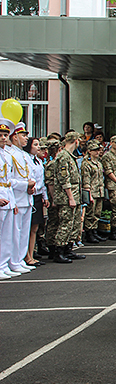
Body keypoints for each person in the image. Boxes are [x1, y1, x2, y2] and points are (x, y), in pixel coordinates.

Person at [7, 122, 36, 273]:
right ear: (14, 137)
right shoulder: (10, 154)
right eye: (23, 135)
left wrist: (32, 186)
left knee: (24, 232)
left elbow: (31, 174)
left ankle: (20, 259)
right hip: (16, 198)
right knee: (15, 233)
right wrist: (26, 185)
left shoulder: (25, 155)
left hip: (27, 197)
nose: (26, 138)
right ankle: (13, 261)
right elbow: (9, 180)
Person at [52, 132, 85, 264]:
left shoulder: (70, 156)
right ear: (75, 141)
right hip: (66, 196)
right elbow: (64, 179)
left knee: (74, 224)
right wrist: (70, 197)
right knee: (65, 223)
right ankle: (59, 250)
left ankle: (68, 249)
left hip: (75, 195)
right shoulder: (63, 156)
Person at [22, 136, 48, 266]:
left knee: (35, 227)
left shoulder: (38, 161)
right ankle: (26, 256)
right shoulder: (26, 159)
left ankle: (31, 254)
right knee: (27, 227)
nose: (38, 147)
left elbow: (41, 181)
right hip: (29, 194)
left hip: (37, 195)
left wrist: (45, 197)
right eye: (35, 144)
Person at [0, 117, 19, 279]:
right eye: (0, 135)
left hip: (7, 195)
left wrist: (13, 202)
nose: (3, 137)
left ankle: (4, 264)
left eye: (5, 135)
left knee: (7, 235)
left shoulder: (6, 154)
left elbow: (9, 180)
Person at [81, 139, 106, 244]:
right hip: (92, 191)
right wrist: (89, 194)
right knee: (90, 214)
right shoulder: (86, 164)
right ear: (89, 151)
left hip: (99, 191)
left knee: (97, 213)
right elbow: (86, 181)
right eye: (95, 150)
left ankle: (94, 231)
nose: (97, 152)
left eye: (98, 150)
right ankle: (89, 232)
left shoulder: (99, 163)